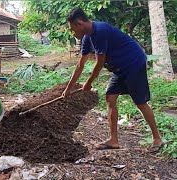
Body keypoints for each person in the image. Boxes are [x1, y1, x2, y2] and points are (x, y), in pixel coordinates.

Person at [62, 7, 164, 152]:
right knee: (110, 97)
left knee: (140, 102)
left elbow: (100, 62)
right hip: (119, 68)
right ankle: (113, 140)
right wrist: (68, 89)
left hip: (133, 62)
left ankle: (157, 139)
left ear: (79, 23)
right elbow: (80, 65)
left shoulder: (100, 31)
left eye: (72, 29)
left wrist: (89, 83)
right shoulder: (86, 38)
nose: (73, 32)